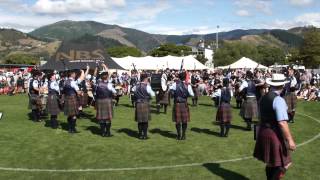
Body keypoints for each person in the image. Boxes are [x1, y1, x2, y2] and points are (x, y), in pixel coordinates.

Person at [254, 73, 296, 180]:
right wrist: (290, 140)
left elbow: (260, 117)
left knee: (271, 163)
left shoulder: (263, 98)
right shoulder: (279, 100)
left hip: (263, 131)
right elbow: (282, 123)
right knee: (285, 163)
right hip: (274, 134)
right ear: (282, 86)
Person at [170, 71, 194, 140]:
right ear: (185, 77)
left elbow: (170, 90)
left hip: (177, 103)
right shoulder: (188, 85)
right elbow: (192, 95)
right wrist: (186, 95)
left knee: (178, 121)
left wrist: (173, 93)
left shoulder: (175, 84)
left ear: (179, 77)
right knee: (184, 121)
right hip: (184, 103)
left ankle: (178, 135)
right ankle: (183, 135)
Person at [94, 64, 116, 137]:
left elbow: (96, 92)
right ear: (106, 76)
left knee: (101, 118)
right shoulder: (109, 84)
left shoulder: (97, 83)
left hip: (99, 101)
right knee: (108, 118)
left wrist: (97, 68)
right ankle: (108, 132)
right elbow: (115, 92)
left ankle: (103, 133)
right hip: (107, 101)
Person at [63, 67, 87, 134]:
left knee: (70, 115)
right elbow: (78, 92)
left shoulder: (65, 81)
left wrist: (82, 72)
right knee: (74, 115)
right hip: (73, 98)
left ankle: (70, 128)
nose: (75, 74)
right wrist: (81, 92)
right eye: (74, 74)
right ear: (72, 74)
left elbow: (64, 90)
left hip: (67, 98)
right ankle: (72, 129)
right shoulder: (73, 82)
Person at [133, 73, 155, 140]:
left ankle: (140, 135)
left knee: (140, 121)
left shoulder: (135, 86)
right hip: (145, 103)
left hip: (138, 104)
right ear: (145, 79)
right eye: (147, 78)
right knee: (145, 121)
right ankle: (144, 135)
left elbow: (133, 91)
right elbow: (153, 95)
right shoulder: (147, 86)